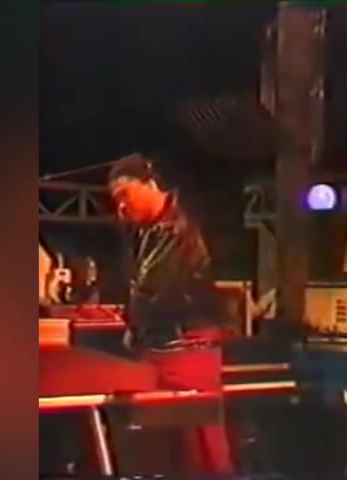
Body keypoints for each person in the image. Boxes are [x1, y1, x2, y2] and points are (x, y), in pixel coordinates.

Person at [108, 153, 235, 475]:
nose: (121, 206)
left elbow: (155, 291)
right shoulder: (148, 232)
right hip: (164, 347)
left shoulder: (177, 228)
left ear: (150, 184)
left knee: (199, 446)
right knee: (170, 448)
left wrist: (132, 322)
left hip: (185, 348)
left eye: (125, 194)